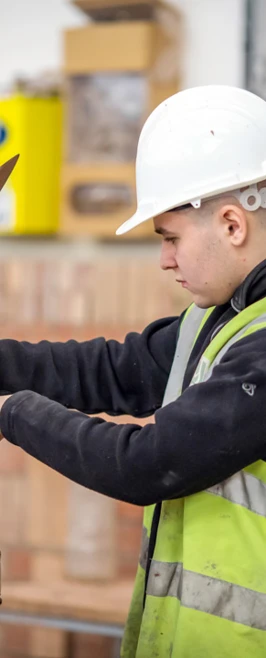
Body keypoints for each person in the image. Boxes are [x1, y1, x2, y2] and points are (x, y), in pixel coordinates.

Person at [1, 85, 266, 657]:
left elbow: (150, 464)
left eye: (170, 238)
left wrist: (11, 411)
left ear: (232, 225)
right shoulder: (219, 320)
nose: (165, 259)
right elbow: (114, 370)